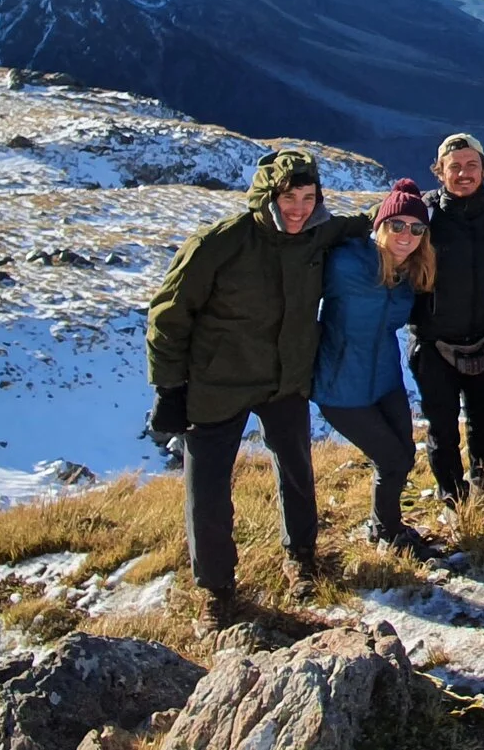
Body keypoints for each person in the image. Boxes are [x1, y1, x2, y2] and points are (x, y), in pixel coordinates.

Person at [145, 149, 370, 630]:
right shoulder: (219, 244)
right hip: (219, 383)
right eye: (289, 198)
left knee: (297, 469)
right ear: (268, 196)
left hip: (285, 381)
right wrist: (168, 387)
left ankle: (302, 558)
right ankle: (216, 590)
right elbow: (168, 315)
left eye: (309, 198)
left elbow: (361, 223)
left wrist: (413, 206)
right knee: (207, 489)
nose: (299, 209)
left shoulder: (316, 234)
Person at [316, 177, 438, 555]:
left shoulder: (409, 274)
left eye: (416, 228)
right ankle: (388, 533)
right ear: (380, 225)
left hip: (385, 379)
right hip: (340, 387)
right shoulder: (345, 263)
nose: (406, 235)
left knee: (403, 455)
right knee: (391, 458)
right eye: (397, 224)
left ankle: (383, 525)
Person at [411, 134, 484, 507]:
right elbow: (382, 234)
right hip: (434, 345)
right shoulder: (423, 216)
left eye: (472, 165)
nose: (464, 173)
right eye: (454, 166)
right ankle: (453, 501)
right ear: (439, 172)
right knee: (442, 429)